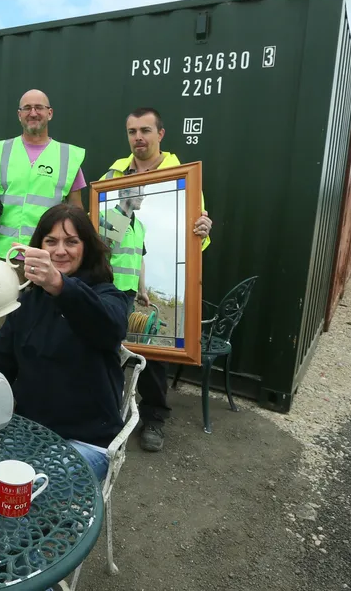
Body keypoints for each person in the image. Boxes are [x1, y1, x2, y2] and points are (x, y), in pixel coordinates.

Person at [0, 204, 129, 484]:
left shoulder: (108, 296)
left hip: (87, 441)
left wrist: (60, 285)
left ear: (86, 248)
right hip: (29, 433)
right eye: (51, 241)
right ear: (38, 246)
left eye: (71, 242)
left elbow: (109, 328)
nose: (60, 251)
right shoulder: (27, 301)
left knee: (27, 492)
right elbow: (0, 363)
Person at [101, 107, 211, 452]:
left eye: (145, 130)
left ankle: (154, 418)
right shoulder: (113, 174)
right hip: (108, 288)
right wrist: (125, 208)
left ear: (160, 134)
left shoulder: (182, 176)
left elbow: (187, 242)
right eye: (132, 131)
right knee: (107, 355)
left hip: (134, 291)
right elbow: (102, 239)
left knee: (153, 355)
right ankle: (107, 414)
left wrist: (203, 230)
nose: (138, 137)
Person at [0, 89, 89, 347]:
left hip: (47, 259)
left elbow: (77, 212)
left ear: (49, 113)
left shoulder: (68, 156)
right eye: (27, 108)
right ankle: (0, 379)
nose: (33, 112)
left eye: (39, 107)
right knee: (2, 330)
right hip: (3, 260)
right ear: (19, 115)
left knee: (42, 329)